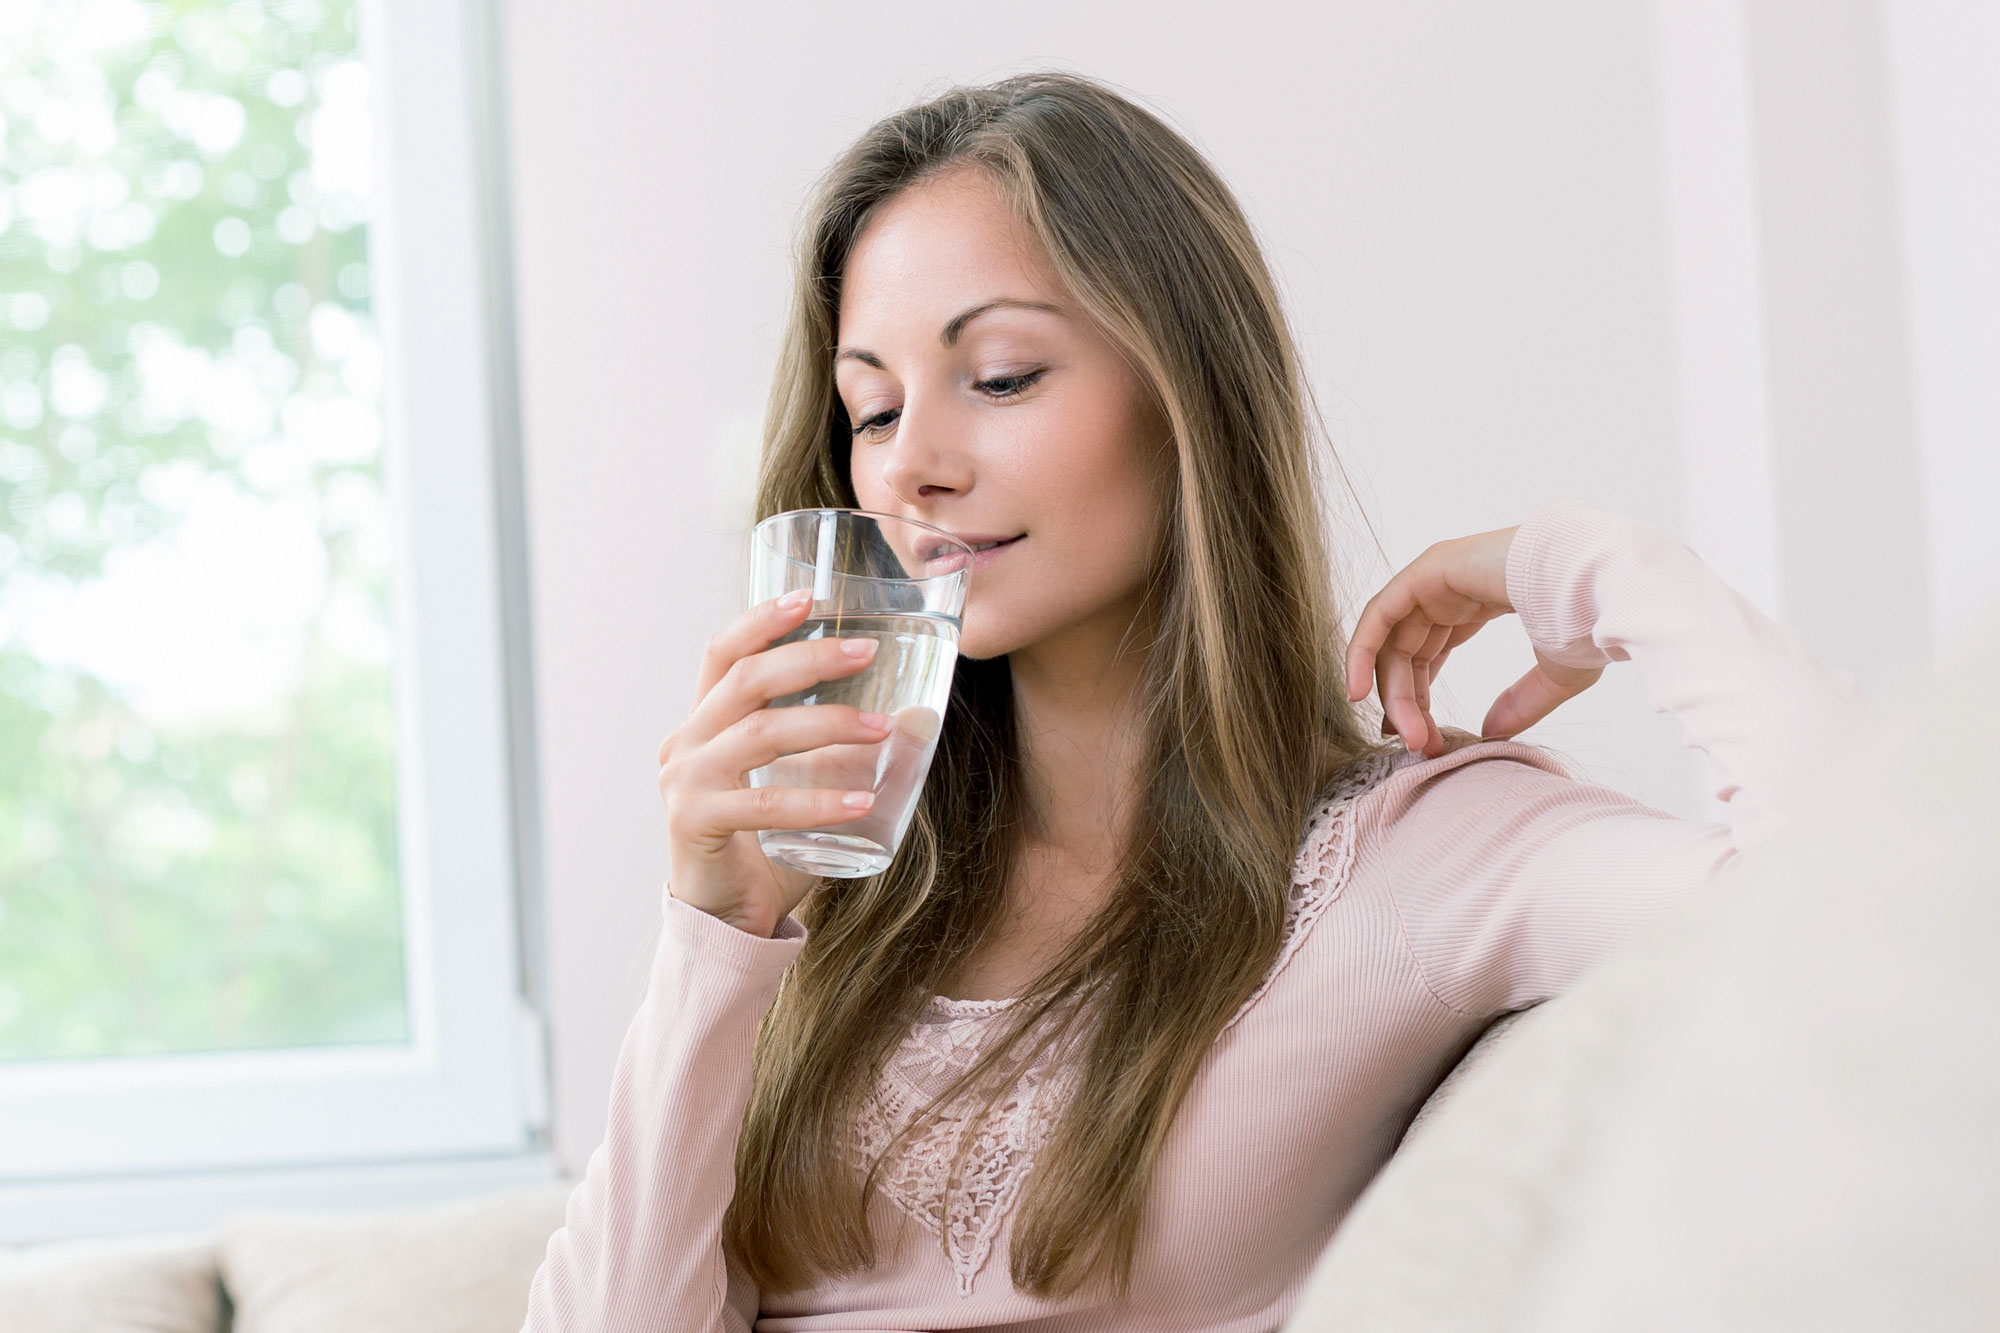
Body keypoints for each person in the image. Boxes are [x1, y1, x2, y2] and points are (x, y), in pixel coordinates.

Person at [520, 70, 1870, 1331]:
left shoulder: (1410, 859)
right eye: (870, 411)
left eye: (999, 377)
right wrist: (713, 927)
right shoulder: (831, 883)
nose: (910, 467)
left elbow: (1874, 920)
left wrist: (1591, 564)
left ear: (1188, 396)